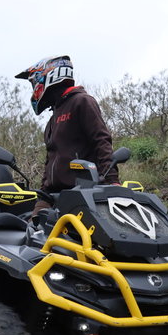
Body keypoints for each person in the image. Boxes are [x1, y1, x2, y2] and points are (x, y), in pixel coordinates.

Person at [15, 55, 118, 217]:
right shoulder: (52, 118)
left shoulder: (82, 102)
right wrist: (43, 189)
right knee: (32, 233)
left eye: (34, 82)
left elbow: (102, 140)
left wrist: (112, 181)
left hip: (81, 192)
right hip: (51, 194)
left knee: (75, 240)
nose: (34, 87)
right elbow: (51, 159)